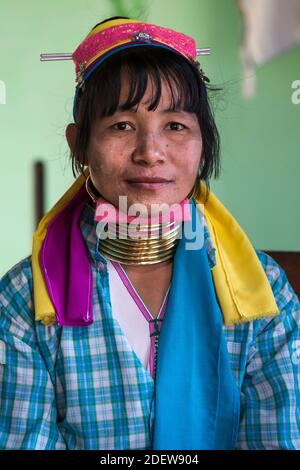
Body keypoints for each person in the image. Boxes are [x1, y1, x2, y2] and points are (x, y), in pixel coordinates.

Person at [0, 16, 299, 451]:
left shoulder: (262, 292)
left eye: (176, 126)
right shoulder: (25, 300)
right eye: (122, 125)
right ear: (79, 144)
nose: (150, 152)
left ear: (204, 142)